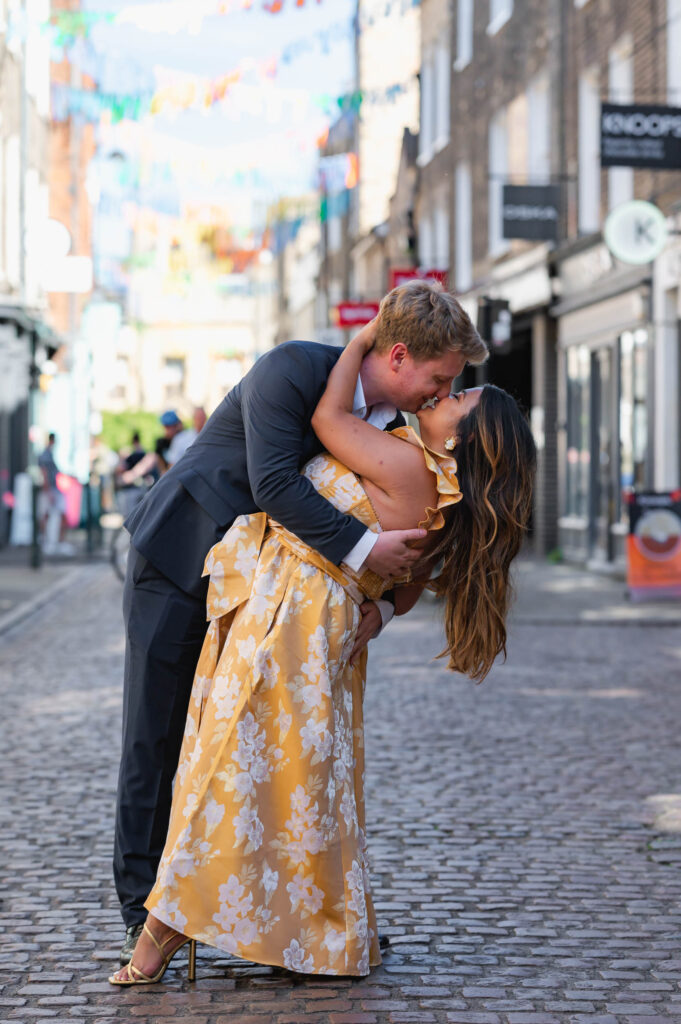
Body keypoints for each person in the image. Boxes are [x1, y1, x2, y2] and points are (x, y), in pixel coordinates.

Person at [109, 313, 536, 986]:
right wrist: (374, 568)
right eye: (443, 378)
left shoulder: (401, 439)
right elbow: (276, 484)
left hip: (281, 615)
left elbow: (413, 550)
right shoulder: (295, 370)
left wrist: (383, 605)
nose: (442, 390)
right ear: (397, 355)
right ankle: (145, 908)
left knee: (260, 768)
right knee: (158, 740)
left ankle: (290, 919)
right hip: (181, 557)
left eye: (452, 390)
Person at [38, 432, 74, 556]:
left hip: (55, 489)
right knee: (46, 514)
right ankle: (46, 541)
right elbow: (44, 474)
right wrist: (48, 491)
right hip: (51, 490)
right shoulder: (45, 455)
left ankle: (58, 541)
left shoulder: (50, 454)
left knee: (59, 514)